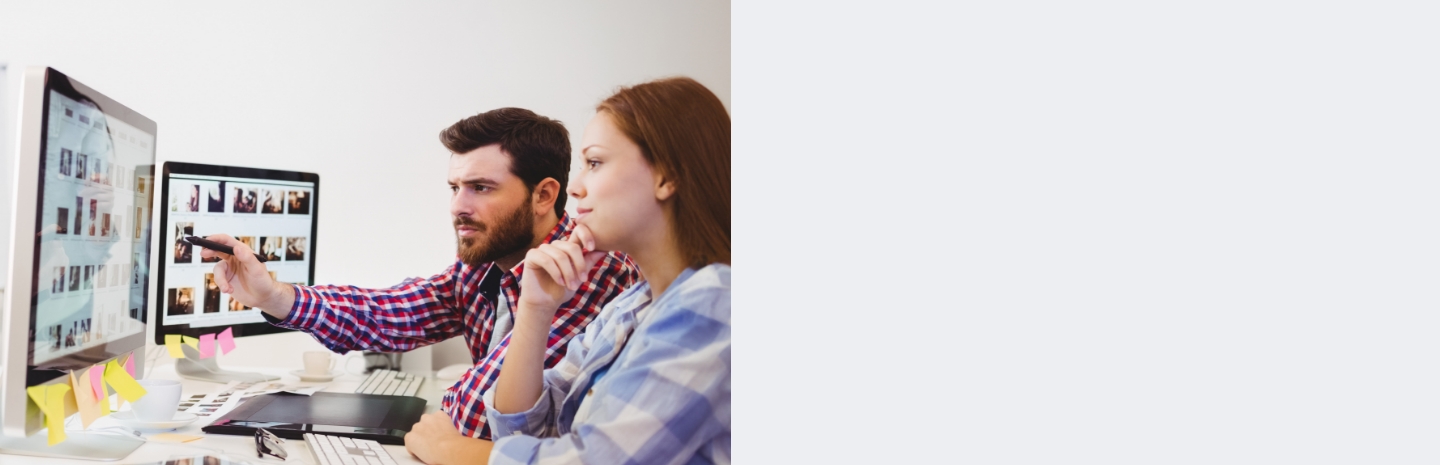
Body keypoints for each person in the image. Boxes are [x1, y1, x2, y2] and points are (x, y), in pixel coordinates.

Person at [200, 108, 640, 442]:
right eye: (455, 188)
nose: (458, 206)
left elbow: (475, 417)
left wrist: (441, 420)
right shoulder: (484, 266)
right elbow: (390, 312)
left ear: (544, 195)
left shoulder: (588, 274)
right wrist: (274, 296)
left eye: (480, 188)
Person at [402, 77, 731, 464]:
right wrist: (535, 309)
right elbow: (523, 429)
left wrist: (451, 450)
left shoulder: (713, 302)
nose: (574, 188)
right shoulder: (631, 307)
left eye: (595, 163)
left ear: (667, 175)